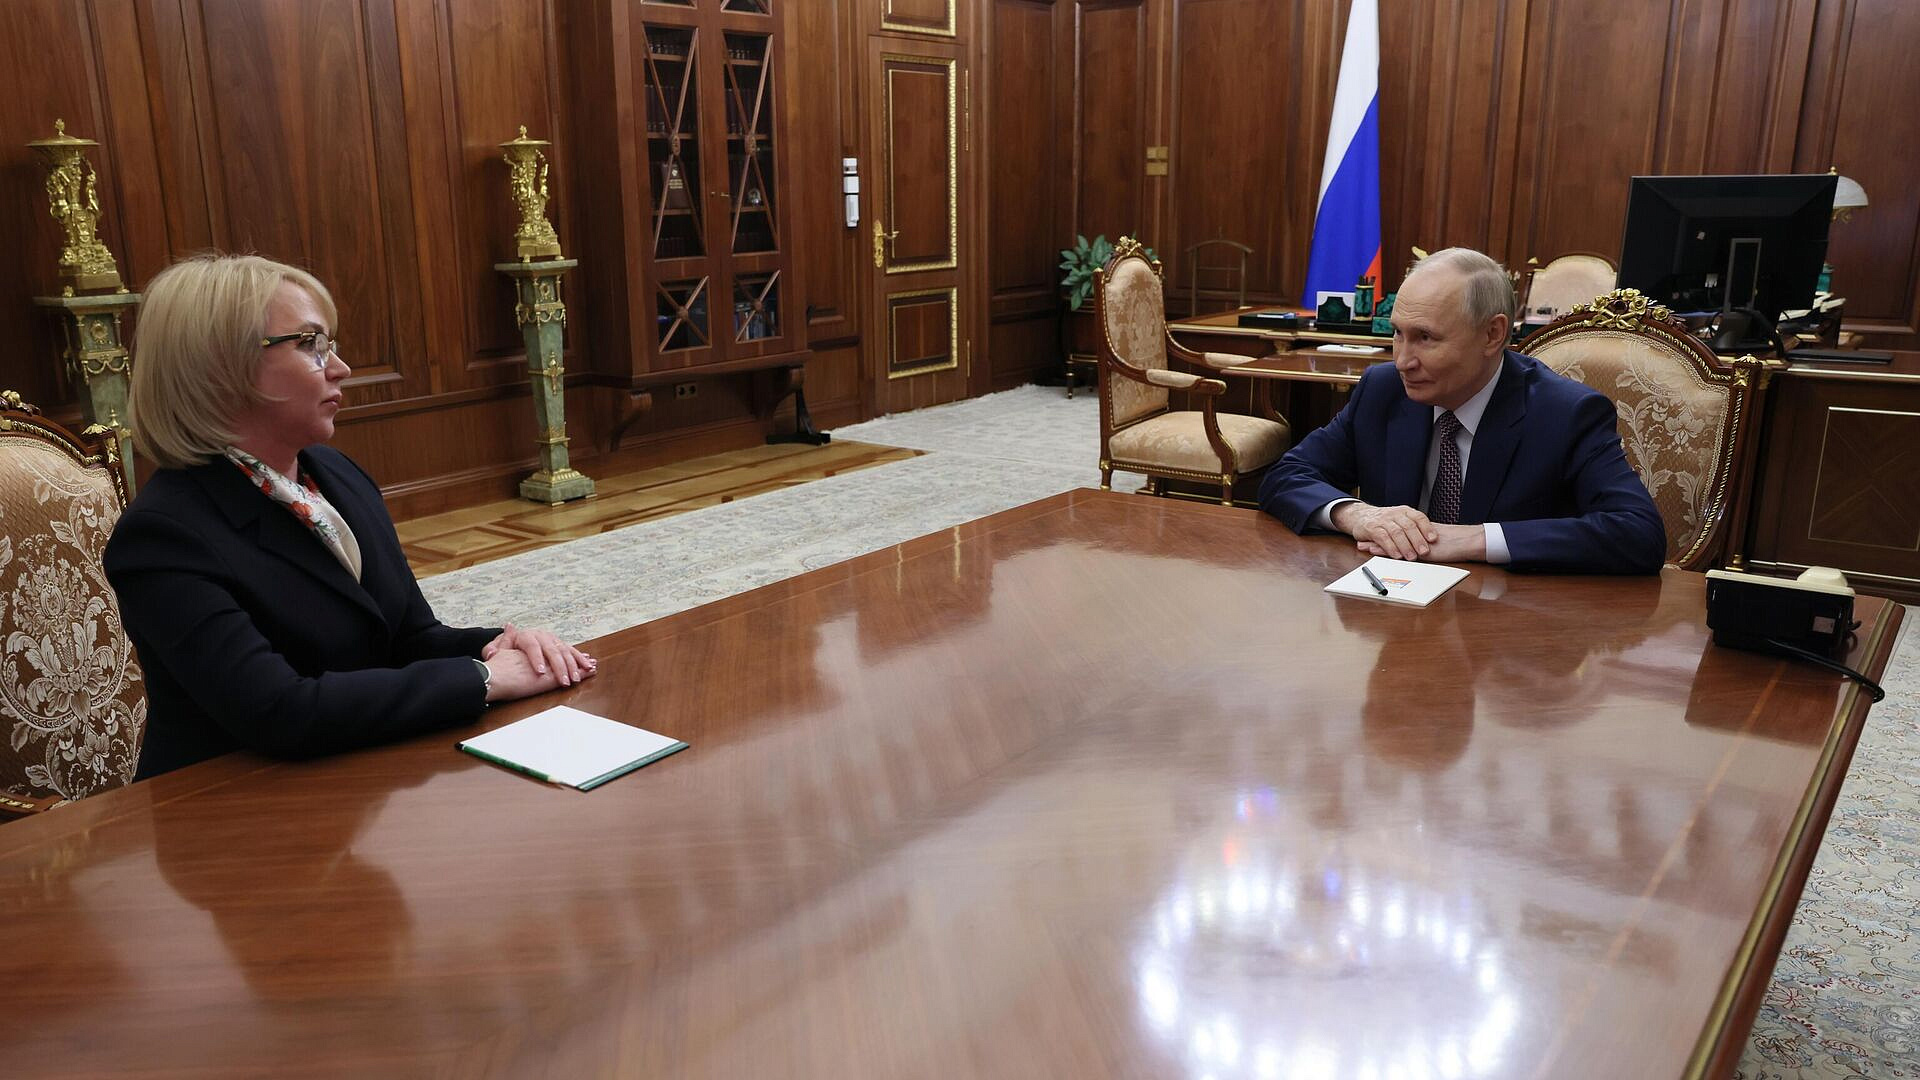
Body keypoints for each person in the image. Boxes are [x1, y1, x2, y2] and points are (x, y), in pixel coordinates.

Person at [105, 254, 595, 778]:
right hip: (230, 799)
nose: (341, 368)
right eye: (311, 345)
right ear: (220, 367)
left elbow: (406, 638)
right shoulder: (163, 536)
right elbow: (278, 710)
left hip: (356, 770)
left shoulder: (335, 475)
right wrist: (485, 678)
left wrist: (502, 644)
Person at [1257, 247, 1666, 574]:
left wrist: (1472, 539)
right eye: (1398, 334)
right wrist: (1356, 514)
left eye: (1425, 338)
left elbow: (1638, 533)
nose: (1402, 361)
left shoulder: (1564, 413)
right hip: (1390, 616)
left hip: (1506, 629)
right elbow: (1287, 475)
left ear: (1492, 334)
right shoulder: (1383, 391)